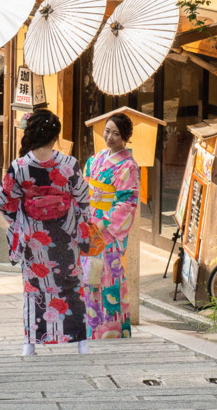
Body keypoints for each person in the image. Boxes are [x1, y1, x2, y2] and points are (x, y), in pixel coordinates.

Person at [0, 110, 91, 356]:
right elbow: (82, 198)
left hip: (34, 238)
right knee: (71, 284)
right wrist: (82, 226)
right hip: (65, 235)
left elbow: (5, 200)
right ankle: (81, 342)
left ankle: (30, 343)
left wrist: (20, 220)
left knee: (34, 287)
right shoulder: (69, 165)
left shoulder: (20, 166)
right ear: (55, 136)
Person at [83, 112, 140, 340]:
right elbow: (84, 188)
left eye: (116, 133)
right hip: (89, 225)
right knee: (89, 275)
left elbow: (127, 201)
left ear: (125, 137)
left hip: (107, 230)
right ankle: (91, 328)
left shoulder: (128, 166)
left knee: (109, 276)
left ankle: (113, 330)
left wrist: (103, 223)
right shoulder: (95, 159)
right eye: (107, 131)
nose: (110, 137)